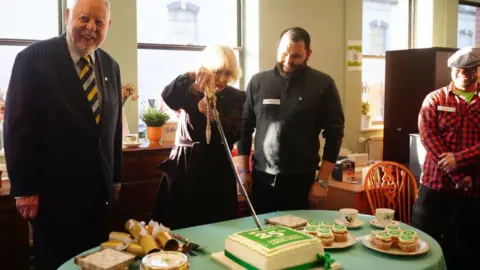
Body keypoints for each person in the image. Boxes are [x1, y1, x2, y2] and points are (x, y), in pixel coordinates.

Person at [4, 0, 122, 269]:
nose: (91, 28)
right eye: (84, 18)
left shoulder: (110, 66)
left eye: (99, 22)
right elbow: (16, 128)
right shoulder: (32, 60)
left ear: (108, 26)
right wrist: (23, 189)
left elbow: (112, 130)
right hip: (53, 200)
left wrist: (115, 179)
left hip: (98, 201)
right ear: (68, 16)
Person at [236, 27, 345, 214]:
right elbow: (243, 129)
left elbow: (335, 134)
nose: (288, 61)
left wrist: (323, 181)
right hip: (262, 179)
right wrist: (243, 172)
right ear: (278, 48)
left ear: (308, 54)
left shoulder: (323, 84)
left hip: (302, 181)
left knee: (299, 238)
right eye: (284, 53)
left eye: (296, 56)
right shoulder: (258, 82)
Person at [152, 44, 246, 229]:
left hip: (217, 169)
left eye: (228, 74)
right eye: (218, 72)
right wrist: (191, 75)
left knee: (218, 227)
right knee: (181, 226)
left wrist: (214, 115)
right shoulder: (192, 89)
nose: (222, 79)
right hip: (185, 168)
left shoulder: (238, 97)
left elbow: (235, 133)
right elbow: (168, 97)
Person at [413, 46, 480, 269]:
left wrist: (459, 161)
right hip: (435, 187)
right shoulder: (434, 99)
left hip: (473, 189)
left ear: (478, 71)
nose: (463, 74)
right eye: (458, 69)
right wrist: (459, 176)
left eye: (469, 70)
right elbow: (429, 139)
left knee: (467, 251)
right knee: (421, 245)